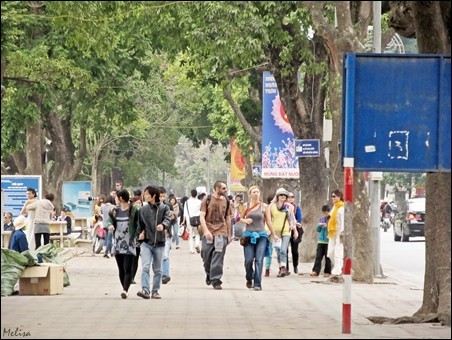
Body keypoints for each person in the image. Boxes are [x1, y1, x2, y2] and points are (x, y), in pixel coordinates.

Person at [136, 185, 171, 299]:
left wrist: (163, 225)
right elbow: (139, 225)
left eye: (146, 194)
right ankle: (145, 290)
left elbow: (168, 219)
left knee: (158, 270)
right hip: (146, 243)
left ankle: (155, 291)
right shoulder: (143, 210)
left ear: (153, 195)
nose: (144, 196)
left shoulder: (164, 208)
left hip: (159, 243)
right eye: (144, 194)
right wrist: (140, 233)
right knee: (145, 267)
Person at [239, 185, 276, 291]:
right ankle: (249, 277)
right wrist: (245, 221)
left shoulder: (264, 206)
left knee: (259, 260)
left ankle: (257, 283)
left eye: (257, 192)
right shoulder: (246, 206)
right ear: (250, 194)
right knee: (249, 260)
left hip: (261, 236)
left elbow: (268, 221)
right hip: (249, 236)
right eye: (254, 192)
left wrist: (274, 234)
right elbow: (240, 218)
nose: (256, 193)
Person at [106, 189, 139, 299]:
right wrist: (110, 225)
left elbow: (139, 222)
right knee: (121, 268)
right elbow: (109, 220)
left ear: (120, 198)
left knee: (127, 268)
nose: (115, 199)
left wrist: (139, 233)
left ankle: (125, 290)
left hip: (129, 243)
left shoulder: (133, 210)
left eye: (116, 197)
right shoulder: (115, 211)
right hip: (118, 243)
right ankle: (124, 288)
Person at [199, 180, 232, 290]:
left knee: (218, 256)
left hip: (221, 232)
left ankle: (216, 279)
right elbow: (202, 217)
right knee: (206, 255)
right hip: (208, 230)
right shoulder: (207, 199)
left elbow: (228, 218)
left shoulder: (227, 201)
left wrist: (229, 234)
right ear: (217, 188)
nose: (225, 190)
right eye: (223, 188)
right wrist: (206, 231)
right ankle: (209, 273)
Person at [266, 188, 297, 277]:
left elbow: (292, 219)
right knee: (279, 251)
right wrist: (269, 230)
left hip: (286, 230)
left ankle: (283, 268)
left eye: (285, 195)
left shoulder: (289, 207)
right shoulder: (272, 206)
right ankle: (280, 268)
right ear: (277, 196)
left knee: (283, 250)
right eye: (281, 195)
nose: (283, 197)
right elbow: (268, 219)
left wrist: (294, 230)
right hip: (276, 232)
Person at [327, 189, 345, 278]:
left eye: (334, 196)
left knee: (338, 252)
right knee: (330, 252)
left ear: (340, 197)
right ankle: (339, 267)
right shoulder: (334, 207)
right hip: (332, 233)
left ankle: (337, 271)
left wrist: (342, 232)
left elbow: (343, 222)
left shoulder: (342, 208)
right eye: (332, 196)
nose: (332, 198)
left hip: (339, 233)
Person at [310, 205, 332, 277]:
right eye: (324, 213)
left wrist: (327, 226)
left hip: (328, 240)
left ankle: (327, 271)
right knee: (318, 256)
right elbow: (318, 230)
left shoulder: (331, 219)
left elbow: (333, 229)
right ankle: (315, 271)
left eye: (326, 213)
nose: (325, 214)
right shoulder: (322, 219)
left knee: (327, 257)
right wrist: (319, 225)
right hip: (321, 240)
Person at [159, 186, 174, 285]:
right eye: (160, 196)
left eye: (163, 196)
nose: (162, 198)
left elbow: (171, 219)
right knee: (157, 257)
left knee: (165, 255)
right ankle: (159, 273)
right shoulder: (150, 207)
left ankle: (165, 275)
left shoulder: (168, 206)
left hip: (166, 234)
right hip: (154, 236)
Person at [287, 192, 303, 274]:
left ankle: (295, 266)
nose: (290, 198)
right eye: (289, 197)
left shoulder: (297, 208)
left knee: (294, 250)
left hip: (295, 231)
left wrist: (296, 223)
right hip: (285, 230)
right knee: (284, 250)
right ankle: (285, 268)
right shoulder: (283, 207)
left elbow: (299, 219)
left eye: (292, 197)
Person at [182, 189, 202, 254]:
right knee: (197, 234)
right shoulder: (199, 202)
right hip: (197, 221)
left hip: (189, 221)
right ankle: (197, 244)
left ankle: (191, 250)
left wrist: (183, 221)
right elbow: (201, 211)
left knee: (190, 235)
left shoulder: (187, 202)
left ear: (191, 194)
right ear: (196, 194)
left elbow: (185, 213)